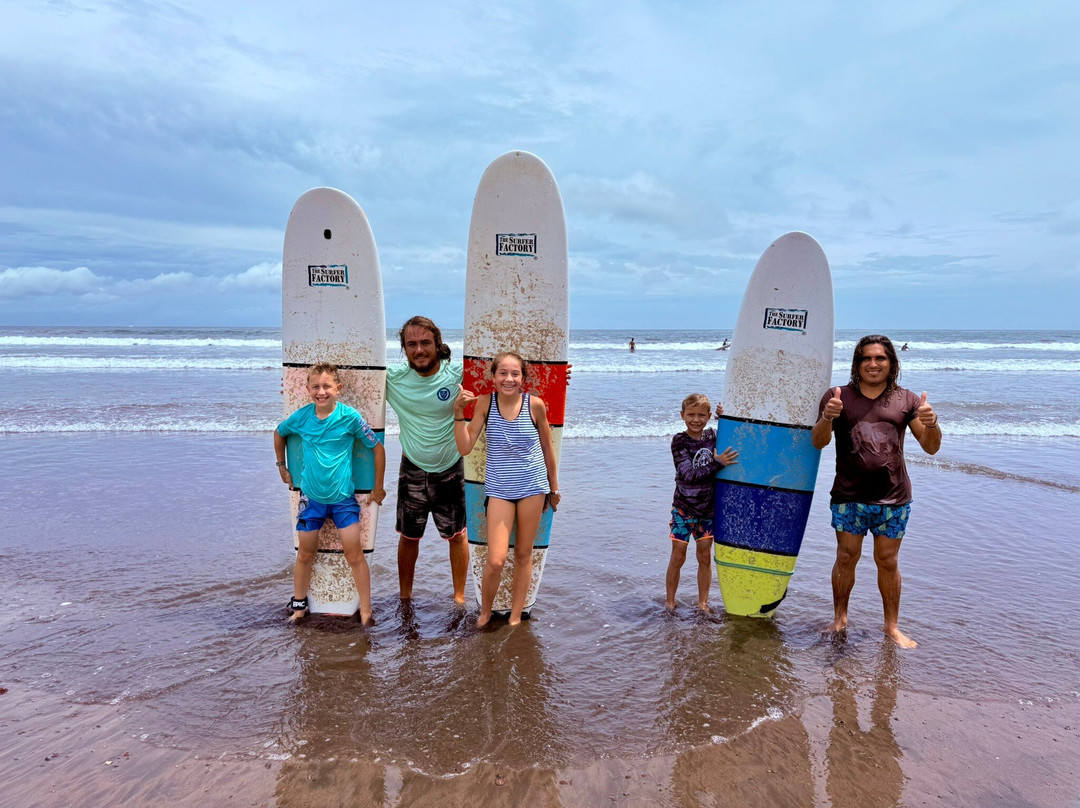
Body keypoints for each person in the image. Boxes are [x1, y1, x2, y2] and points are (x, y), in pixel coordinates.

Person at [811, 335, 941, 648]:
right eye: (866, 358)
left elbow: (931, 447)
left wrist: (933, 423)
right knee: (846, 557)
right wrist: (828, 417)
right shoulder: (838, 396)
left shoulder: (907, 400)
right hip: (849, 495)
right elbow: (818, 441)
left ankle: (891, 627)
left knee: (888, 562)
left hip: (893, 497)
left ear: (891, 363)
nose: (873, 364)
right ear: (857, 363)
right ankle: (840, 618)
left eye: (880, 358)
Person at [453, 351, 561, 627]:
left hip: (532, 487)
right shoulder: (485, 404)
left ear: (523, 378)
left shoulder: (535, 405)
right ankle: (486, 611)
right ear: (493, 377)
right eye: (503, 373)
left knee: (524, 555)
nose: (509, 379)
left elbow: (548, 449)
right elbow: (465, 447)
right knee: (497, 559)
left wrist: (554, 488)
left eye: (515, 374)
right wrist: (457, 413)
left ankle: (515, 616)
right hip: (499, 489)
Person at [274, 363, 387, 624]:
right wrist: (282, 467)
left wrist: (377, 487)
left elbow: (377, 448)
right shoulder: (301, 417)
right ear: (307, 390)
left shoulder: (349, 417)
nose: (321, 391)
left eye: (327, 386)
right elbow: (279, 434)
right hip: (311, 499)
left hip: (342, 500)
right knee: (305, 554)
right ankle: (300, 606)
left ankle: (366, 609)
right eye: (316, 386)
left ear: (338, 389)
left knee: (354, 554)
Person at [386, 316, 470, 605]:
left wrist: (556, 376)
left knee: (458, 536)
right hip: (412, 469)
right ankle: (405, 597)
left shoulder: (458, 374)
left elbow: (505, 378)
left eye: (425, 342)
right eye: (411, 344)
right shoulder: (393, 380)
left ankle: (459, 595)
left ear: (437, 343)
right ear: (404, 348)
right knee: (409, 538)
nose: (419, 349)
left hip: (451, 469)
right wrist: (295, 388)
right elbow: (343, 383)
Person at [665, 393, 738, 611]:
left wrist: (724, 418)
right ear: (682, 415)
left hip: (707, 510)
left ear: (708, 416)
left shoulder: (713, 437)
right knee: (678, 557)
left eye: (700, 415)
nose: (695, 419)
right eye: (690, 415)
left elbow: (732, 437)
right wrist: (718, 464)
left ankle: (703, 603)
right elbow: (688, 474)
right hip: (683, 509)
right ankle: (670, 602)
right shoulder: (679, 441)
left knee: (705, 556)